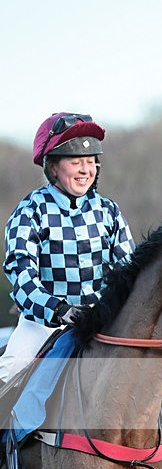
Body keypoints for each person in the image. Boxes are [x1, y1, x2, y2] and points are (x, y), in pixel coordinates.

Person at [1, 111, 135, 385]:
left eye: (91, 161)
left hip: (102, 322)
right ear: (53, 168)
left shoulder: (109, 211)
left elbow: (129, 274)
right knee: (8, 371)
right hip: (43, 326)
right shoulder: (29, 211)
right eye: (76, 162)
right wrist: (61, 311)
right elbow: (22, 280)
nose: (86, 170)